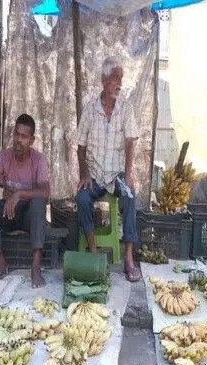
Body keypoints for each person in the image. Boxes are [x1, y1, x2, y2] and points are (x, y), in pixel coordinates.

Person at [75, 56, 141, 282]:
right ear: (104, 80)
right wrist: (84, 173)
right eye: (115, 78)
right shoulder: (90, 110)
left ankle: (129, 258)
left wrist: (129, 173)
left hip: (115, 175)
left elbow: (131, 141)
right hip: (94, 174)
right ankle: (93, 252)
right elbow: (80, 146)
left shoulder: (126, 109)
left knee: (130, 196)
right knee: (81, 198)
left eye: (121, 78)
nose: (119, 83)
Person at [0, 114, 50, 287]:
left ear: (32, 140)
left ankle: (35, 267)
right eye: (16, 134)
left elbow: (45, 191)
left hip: (28, 217)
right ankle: (1, 262)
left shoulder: (38, 160)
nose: (18, 140)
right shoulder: (4, 157)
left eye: (24, 137)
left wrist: (19, 194)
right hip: (8, 214)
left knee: (38, 202)